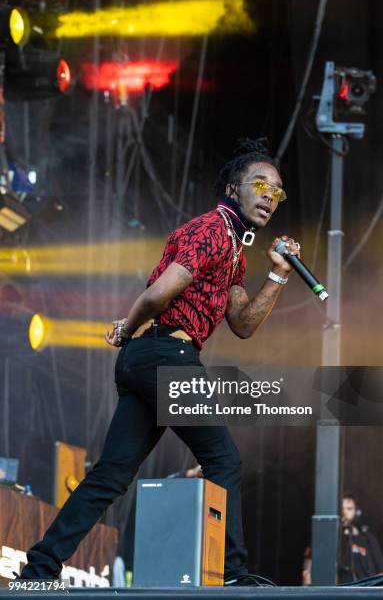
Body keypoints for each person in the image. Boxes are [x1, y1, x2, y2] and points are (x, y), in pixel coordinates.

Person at [18, 138, 301, 587]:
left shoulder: (232, 251)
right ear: (233, 188)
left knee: (110, 475)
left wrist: (279, 274)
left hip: (152, 359)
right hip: (166, 356)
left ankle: (38, 569)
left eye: (277, 191)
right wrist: (125, 328)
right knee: (223, 459)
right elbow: (157, 294)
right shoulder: (210, 230)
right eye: (260, 184)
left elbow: (243, 323)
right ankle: (232, 574)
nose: (269, 195)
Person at [302, 492, 383, 585]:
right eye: (341, 508)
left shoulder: (368, 539)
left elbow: (380, 573)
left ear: (356, 512)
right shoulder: (324, 537)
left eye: (349, 509)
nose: (344, 512)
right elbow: (307, 572)